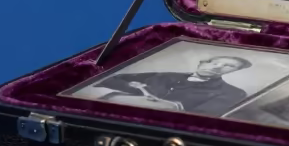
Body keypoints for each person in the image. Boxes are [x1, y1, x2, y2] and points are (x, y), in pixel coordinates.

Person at [93, 53, 252, 116]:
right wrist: (136, 90)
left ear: (233, 71)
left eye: (228, 66)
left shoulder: (233, 93)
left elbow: (201, 117)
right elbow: (110, 79)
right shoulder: (167, 75)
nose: (217, 67)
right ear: (203, 62)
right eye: (214, 62)